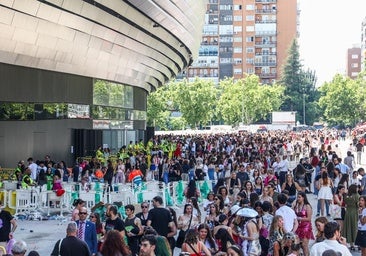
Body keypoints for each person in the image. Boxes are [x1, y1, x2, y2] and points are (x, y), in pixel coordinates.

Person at [293, 191, 314, 256]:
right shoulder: (296, 205)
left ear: (303, 198)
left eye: (299, 197)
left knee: (304, 245)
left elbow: (309, 218)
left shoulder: (307, 206)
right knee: (298, 245)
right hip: (298, 227)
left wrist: (300, 218)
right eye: (297, 197)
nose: (298, 199)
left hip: (305, 227)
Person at [343, 184, 359, 250]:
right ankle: (355, 243)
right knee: (354, 227)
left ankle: (350, 243)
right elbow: (358, 205)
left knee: (348, 227)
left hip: (348, 212)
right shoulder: (357, 195)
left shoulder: (346, 196)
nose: (357, 189)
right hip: (354, 212)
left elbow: (345, 202)